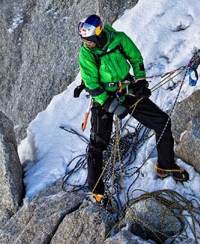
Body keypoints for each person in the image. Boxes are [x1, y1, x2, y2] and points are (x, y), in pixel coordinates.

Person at [76, 14, 189, 204]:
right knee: (98, 145)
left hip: (125, 89)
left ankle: (166, 165)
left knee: (162, 122)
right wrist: (109, 104)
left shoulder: (119, 39)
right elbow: (92, 85)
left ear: (98, 34)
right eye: (84, 41)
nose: (86, 44)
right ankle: (96, 189)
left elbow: (136, 59)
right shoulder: (86, 55)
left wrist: (140, 82)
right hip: (103, 96)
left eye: (89, 41)